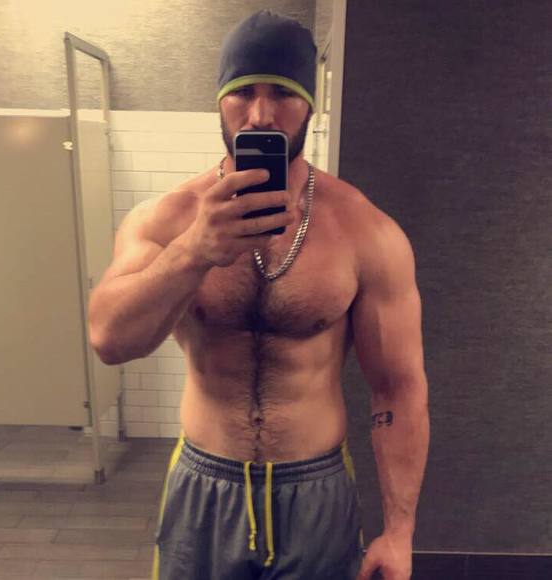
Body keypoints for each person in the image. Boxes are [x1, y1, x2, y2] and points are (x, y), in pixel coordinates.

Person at [88, 10, 429, 580]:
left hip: (315, 492)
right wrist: (194, 251)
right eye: (243, 91)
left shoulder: (365, 231)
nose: (262, 115)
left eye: (284, 93)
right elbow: (109, 339)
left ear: (311, 104)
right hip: (204, 488)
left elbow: (398, 387)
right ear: (219, 100)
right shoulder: (167, 220)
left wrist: (399, 532)